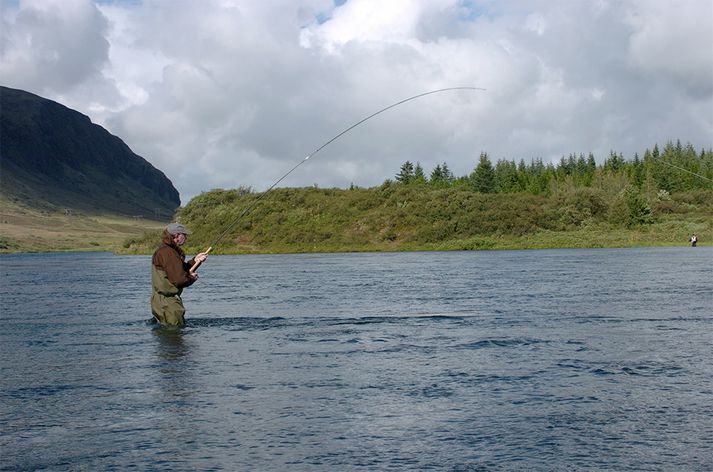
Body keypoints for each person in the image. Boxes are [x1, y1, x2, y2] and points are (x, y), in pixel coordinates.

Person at [151, 223, 209, 326]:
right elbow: (179, 280)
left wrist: (196, 260)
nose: (186, 238)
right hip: (168, 303)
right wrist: (191, 278)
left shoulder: (164, 250)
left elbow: (178, 270)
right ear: (176, 235)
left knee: (166, 338)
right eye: (184, 235)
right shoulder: (169, 253)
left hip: (160, 302)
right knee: (174, 337)